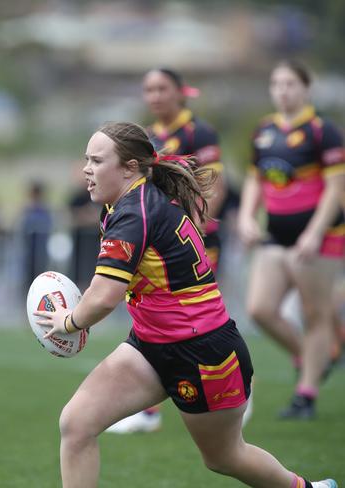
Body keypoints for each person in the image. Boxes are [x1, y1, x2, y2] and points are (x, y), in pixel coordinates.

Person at [33, 122, 337, 488]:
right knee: (77, 423)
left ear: (129, 168)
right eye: (86, 159)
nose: (86, 169)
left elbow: (103, 298)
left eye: (97, 161)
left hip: (203, 352)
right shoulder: (131, 203)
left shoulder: (134, 212)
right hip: (151, 344)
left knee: (225, 457)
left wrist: (68, 323)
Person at [107, 67, 229, 434]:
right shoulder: (149, 137)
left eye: (162, 88)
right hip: (157, 245)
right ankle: (148, 412)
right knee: (153, 314)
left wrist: (195, 231)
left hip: (192, 242)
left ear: (181, 92)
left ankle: (234, 385)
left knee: (201, 318)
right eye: (149, 89)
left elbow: (214, 186)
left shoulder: (199, 132)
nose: (155, 96)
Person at [238, 60, 345, 419]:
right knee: (260, 309)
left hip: (321, 237)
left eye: (290, 84)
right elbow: (256, 179)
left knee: (315, 313)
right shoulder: (264, 130)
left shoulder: (322, 131)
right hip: (276, 234)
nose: (283, 90)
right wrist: (246, 216)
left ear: (305, 88)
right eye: (276, 83)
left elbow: (335, 188)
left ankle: (306, 394)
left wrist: (315, 233)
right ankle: (312, 356)